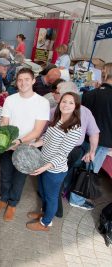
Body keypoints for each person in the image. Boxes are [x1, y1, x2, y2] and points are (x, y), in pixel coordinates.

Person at [0, 68, 49, 222]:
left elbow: (37, 131)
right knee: (5, 174)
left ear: (33, 80)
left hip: (26, 148)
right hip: (8, 146)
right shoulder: (11, 99)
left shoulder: (42, 102)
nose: (23, 83)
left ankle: (12, 203)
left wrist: (19, 142)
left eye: (26, 79)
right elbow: (4, 121)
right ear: (17, 82)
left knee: (19, 177)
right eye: (20, 80)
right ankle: (3, 199)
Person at [27, 92, 82, 231]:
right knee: (43, 193)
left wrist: (46, 167)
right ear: (59, 102)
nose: (66, 105)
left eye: (71, 103)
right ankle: (44, 213)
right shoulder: (58, 119)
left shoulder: (75, 128)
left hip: (54, 170)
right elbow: (47, 137)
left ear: (76, 106)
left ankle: (46, 223)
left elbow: (63, 154)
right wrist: (35, 144)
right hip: (43, 163)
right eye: (64, 101)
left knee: (51, 197)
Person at [48, 82, 99, 215]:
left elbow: (94, 132)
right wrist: (92, 151)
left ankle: (54, 210)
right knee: (62, 177)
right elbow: (94, 132)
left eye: (58, 92)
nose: (55, 94)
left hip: (64, 151)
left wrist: (92, 151)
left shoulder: (56, 111)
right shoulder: (85, 110)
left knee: (54, 179)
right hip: (74, 151)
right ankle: (55, 202)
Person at [80, 63, 112, 205]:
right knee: (91, 170)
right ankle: (78, 199)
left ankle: (71, 192)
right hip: (104, 140)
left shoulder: (89, 94)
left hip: (85, 136)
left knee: (80, 166)